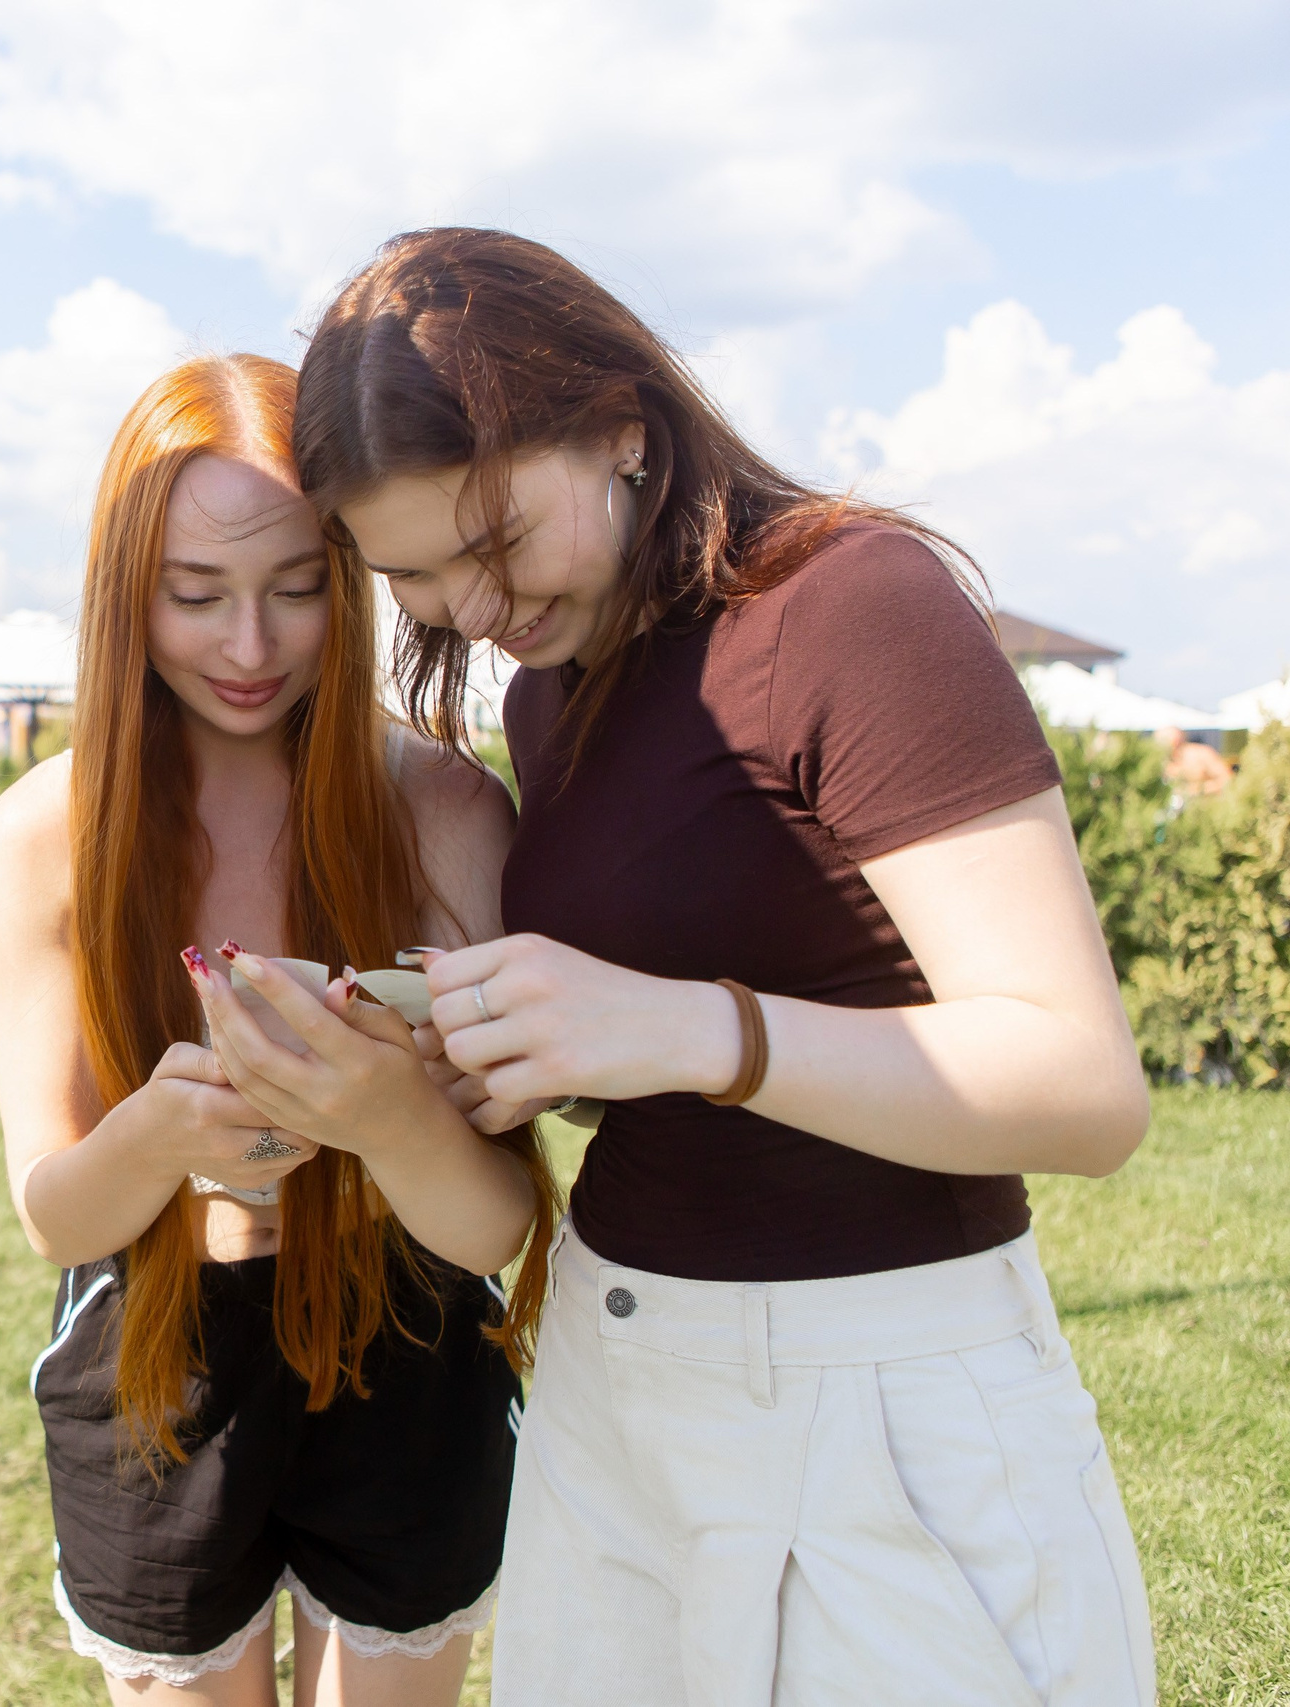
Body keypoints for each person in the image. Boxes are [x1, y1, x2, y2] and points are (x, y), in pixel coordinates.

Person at [288, 228, 1158, 1706]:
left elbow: (1083, 1089)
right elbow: (670, 1045)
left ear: (624, 425)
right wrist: (504, 1047)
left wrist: (695, 1029)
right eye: (416, 579)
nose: (475, 612)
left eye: (494, 543)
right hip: (616, 1372)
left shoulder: (851, 604)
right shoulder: (557, 686)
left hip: (875, 1396)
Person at [0, 353, 556, 1706]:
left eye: (299, 587)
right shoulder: (43, 833)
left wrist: (396, 1111)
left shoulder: (449, 810)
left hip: (413, 1337)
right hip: (157, 1341)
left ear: (353, 573)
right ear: (128, 591)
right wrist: (172, 1123)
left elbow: (492, 1227)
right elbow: (58, 1213)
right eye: (195, 595)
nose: (250, 647)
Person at [1155, 724, 1232, 797]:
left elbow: (1227, 779)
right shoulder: (1158, 762)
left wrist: (1200, 790)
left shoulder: (1201, 754)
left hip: (1204, 805)